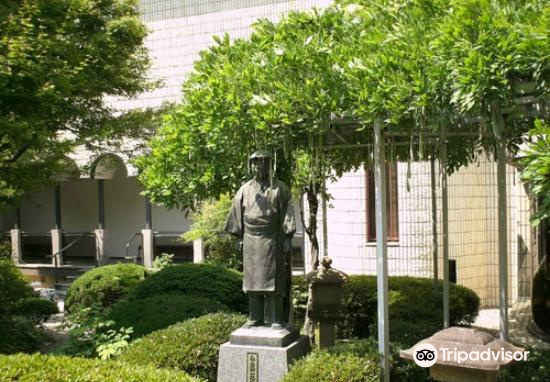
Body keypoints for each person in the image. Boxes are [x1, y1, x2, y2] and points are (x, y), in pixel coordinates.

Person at [225, 150, 295, 329]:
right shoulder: (245, 189)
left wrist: (287, 237)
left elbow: (288, 212)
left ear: (269, 165)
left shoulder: (280, 188)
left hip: (272, 239)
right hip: (250, 238)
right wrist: (239, 238)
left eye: (263, 163)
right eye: (255, 163)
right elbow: (236, 213)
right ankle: (255, 317)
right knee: (252, 280)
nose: (259, 167)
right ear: (251, 166)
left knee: (274, 281)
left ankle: (277, 319)